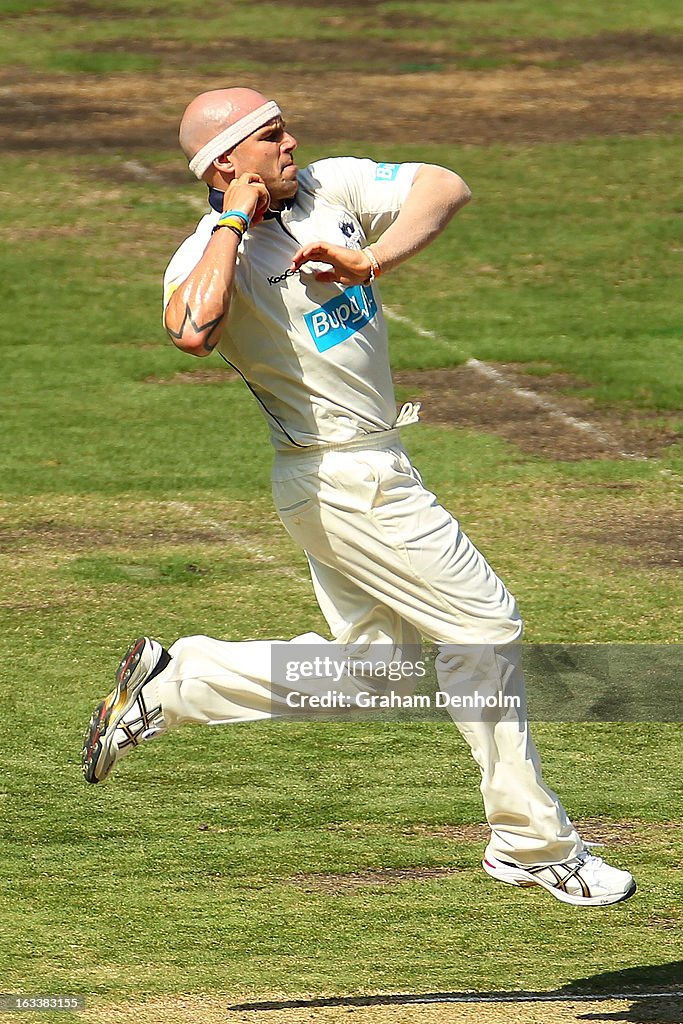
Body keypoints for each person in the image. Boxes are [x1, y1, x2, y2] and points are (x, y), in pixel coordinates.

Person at [81, 87, 635, 908]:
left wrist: (370, 260)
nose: (291, 141)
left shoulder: (326, 187)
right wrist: (233, 221)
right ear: (226, 161)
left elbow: (443, 186)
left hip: (369, 466)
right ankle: (530, 840)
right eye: (271, 136)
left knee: (376, 674)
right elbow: (191, 329)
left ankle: (184, 682)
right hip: (343, 478)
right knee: (484, 627)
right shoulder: (206, 250)